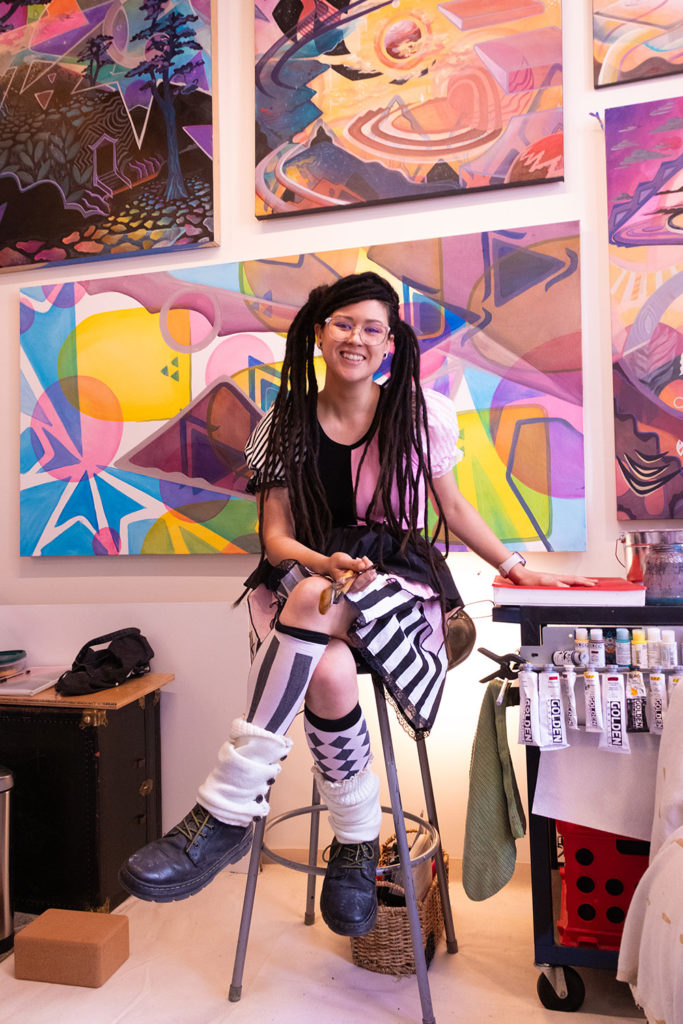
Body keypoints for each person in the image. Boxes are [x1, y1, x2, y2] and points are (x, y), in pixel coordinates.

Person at [119, 271, 594, 936]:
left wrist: (517, 568)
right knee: (331, 668)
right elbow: (276, 537)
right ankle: (354, 839)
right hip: (309, 587)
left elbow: (451, 508)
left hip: (401, 586)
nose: (356, 338)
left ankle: (226, 809)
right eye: (343, 323)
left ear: (389, 343)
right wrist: (323, 561)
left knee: (318, 601)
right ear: (318, 332)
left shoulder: (421, 413)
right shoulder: (281, 423)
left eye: (372, 328)